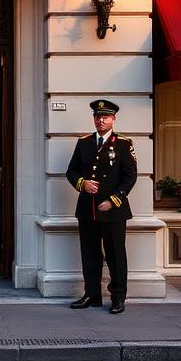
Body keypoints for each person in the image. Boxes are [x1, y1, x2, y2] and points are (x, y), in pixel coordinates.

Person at [65, 98, 137, 314]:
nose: (100, 120)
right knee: (90, 254)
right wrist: (83, 183)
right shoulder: (84, 142)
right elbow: (71, 171)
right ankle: (92, 295)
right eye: (97, 117)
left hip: (113, 211)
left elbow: (130, 177)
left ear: (113, 119)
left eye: (105, 117)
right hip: (88, 209)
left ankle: (118, 298)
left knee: (116, 255)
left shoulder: (123, 144)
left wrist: (113, 201)